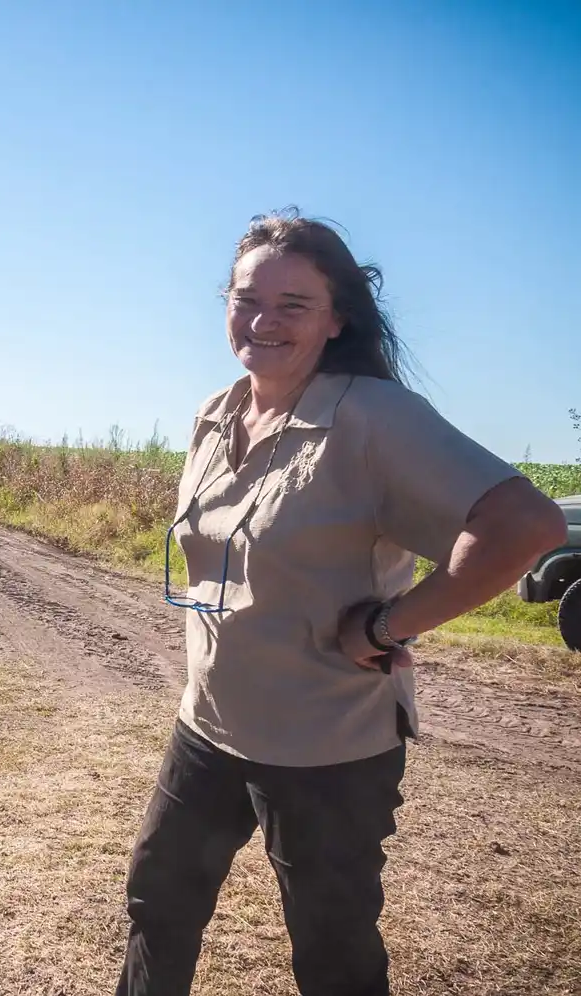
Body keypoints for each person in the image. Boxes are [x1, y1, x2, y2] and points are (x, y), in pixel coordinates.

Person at [115, 208, 568, 996]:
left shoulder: (370, 416)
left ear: (337, 318)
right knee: (159, 901)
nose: (264, 321)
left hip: (328, 745)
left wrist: (390, 624)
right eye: (248, 300)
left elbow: (526, 524)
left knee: (332, 954)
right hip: (210, 724)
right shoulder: (216, 414)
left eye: (293, 304)